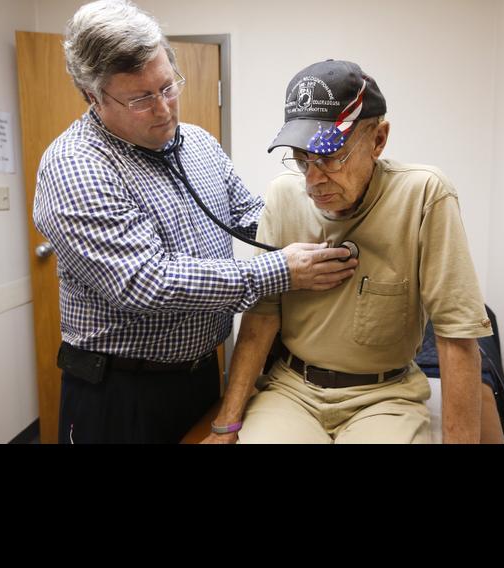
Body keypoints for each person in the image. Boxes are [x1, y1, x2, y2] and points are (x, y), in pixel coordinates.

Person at [33, 0, 357, 444]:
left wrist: (330, 217)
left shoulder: (198, 143)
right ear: (93, 96)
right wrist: (281, 270)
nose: (164, 109)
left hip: (201, 375)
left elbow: (249, 216)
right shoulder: (76, 166)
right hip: (121, 391)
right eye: (141, 99)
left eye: (168, 87)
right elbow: (146, 282)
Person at [204, 59, 492, 444]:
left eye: (329, 157)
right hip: (293, 391)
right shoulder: (284, 194)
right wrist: (226, 425)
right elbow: (262, 319)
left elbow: (457, 333)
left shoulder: (424, 195)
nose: (313, 181)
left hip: (384, 397)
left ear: (378, 140)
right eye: (303, 159)